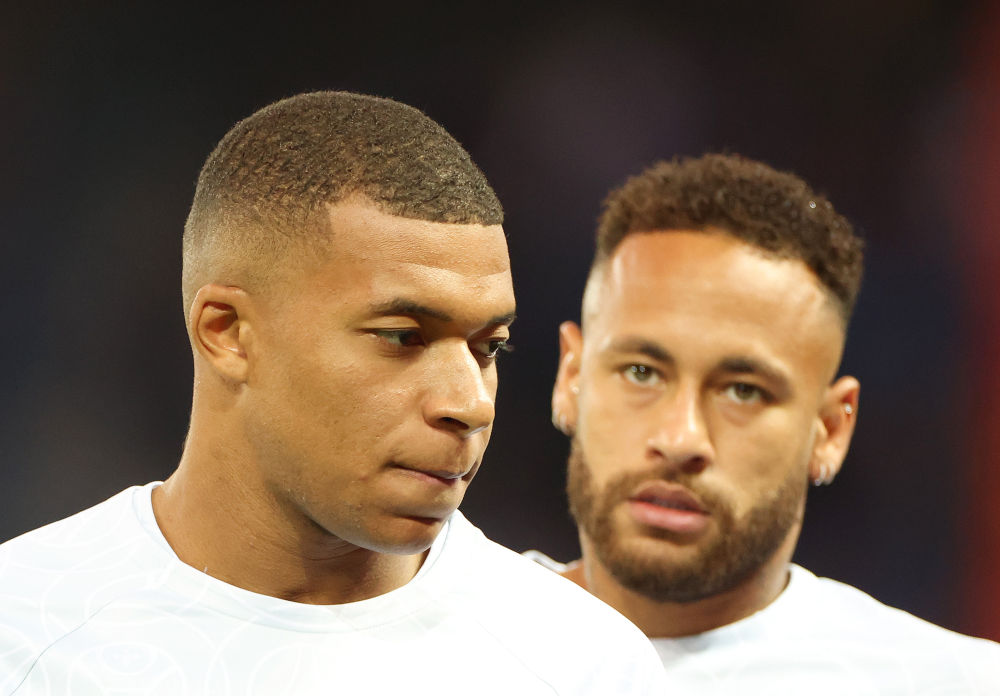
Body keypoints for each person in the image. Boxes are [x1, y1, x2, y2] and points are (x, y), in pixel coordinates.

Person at [0, 91, 666, 695]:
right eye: (401, 337)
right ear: (228, 333)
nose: (471, 404)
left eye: (488, 347)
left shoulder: (582, 666)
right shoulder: (23, 633)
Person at [538, 153, 1000, 691]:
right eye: (641, 372)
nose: (680, 438)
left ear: (830, 430)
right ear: (571, 376)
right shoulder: (453, 639)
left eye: (744, 391)